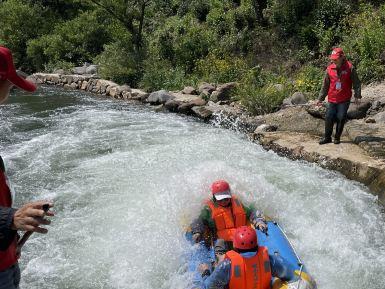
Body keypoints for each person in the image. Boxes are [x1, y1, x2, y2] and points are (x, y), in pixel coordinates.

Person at [0, 45, 54, 289]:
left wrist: (13, 225)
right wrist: (10, 218)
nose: (9, 93)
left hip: (7, 261)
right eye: (10, 85)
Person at [196, 226, 293, 289]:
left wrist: (205, 272)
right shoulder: (268, 259)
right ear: (256, 243)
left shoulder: (227, 265)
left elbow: (210, 286)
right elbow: (289, 273)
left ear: (235, 246)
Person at [194, 180, 267, 248]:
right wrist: (197, 231)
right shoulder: (208, 209)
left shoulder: (239, 203)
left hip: (243, 238)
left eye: (226, 198)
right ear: (214, 197)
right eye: (220, 199)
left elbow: (253, 211)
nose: (224, 201)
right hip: (221, 241)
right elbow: (198, 220)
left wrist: (259, 221)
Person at [317, 47, 362, 145]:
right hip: (332, 99)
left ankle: (337, 138)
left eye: (336, 58)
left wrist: (357, 96)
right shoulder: (329, 69)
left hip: (344, 99)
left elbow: (357, 83)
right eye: (332, 59)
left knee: (341, 117)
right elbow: (325, 85)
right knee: (329, 117)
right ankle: (327, 138)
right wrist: (320, 99)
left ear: (342, 57)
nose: (334, 60)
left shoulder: (350, 67)